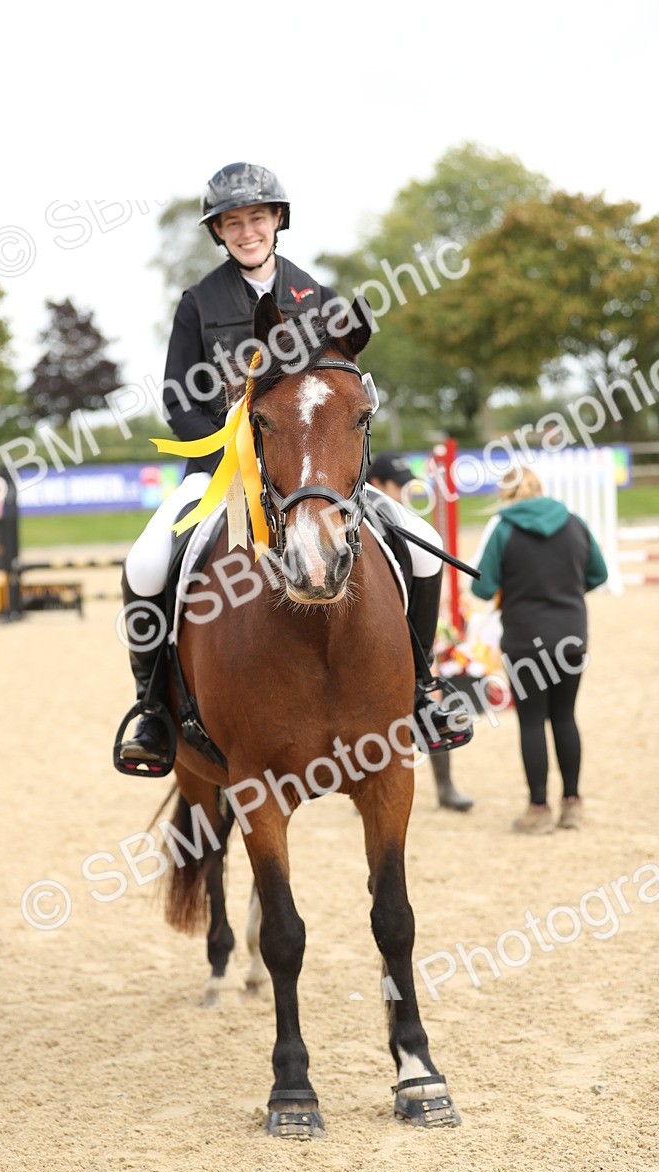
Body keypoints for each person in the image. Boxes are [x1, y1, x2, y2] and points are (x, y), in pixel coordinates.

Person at [117, 162, 467, 770]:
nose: (246, 231)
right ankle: (152, 710)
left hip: (316, 475)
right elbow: (178, 397)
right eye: (232, 223)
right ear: (219, 233)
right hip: (218, 471)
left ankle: (420, 690)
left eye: (256, 218)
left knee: (423, 541)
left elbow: (342, 394)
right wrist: (226, 455)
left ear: (277, 220)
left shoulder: (321, 300)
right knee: (145, 562)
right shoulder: (199, 303)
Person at [469, 466, 608, 833]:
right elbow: (599, 575)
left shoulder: (503, 529)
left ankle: (538, 809)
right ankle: (573, 803)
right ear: (540, 488)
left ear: (506, 494)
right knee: (565, 716)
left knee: (532, 721)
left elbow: (482, 589)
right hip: (571, 635)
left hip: (525, 639)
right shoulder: (574, 522)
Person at [367, 451, 474, 813]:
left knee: (430, 687)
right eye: (399, 486)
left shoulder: (397, 518)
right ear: (378, 485)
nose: (406, 493)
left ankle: (422, 688)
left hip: (415, 628)